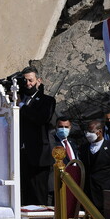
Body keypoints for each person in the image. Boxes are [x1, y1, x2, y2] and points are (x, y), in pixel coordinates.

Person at [18, 66, 56, 206]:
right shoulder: (17, 100)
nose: (28, 84)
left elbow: (42, 118)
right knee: (23, 194)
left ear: (38, 80)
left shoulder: (47, 100)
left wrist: (22, 106)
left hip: (39, 155)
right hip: (21, 155)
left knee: (38, 194)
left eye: (30, 80)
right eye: (25, 81)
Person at [48, 116, 78, 205]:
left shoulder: (72, 143)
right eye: (61, 127)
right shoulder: (53, 143)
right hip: (59, 183)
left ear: (70, 127)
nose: (63, 129)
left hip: (73, 183)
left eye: (66, 127)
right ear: (56, 127)